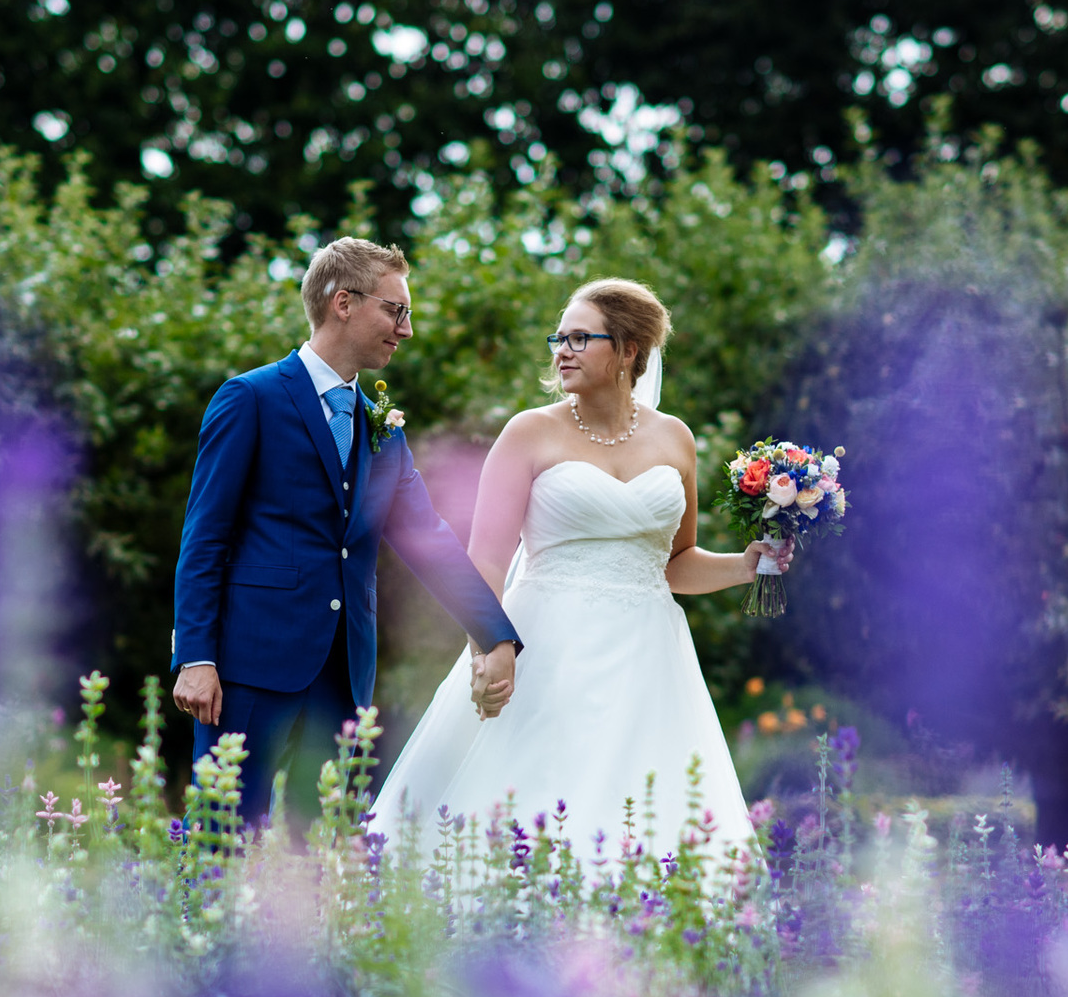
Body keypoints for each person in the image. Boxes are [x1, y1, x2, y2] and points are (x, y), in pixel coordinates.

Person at [371, 278, 790, 853]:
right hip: (544, 645)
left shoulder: (676, 440)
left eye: (579, 338)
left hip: (648, 656)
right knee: (531, 797)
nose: (561, 350)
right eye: (558, 338)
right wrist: (486, 649)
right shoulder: (529, 432)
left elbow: (674, 563)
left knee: (650, 805)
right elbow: (487, 558)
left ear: (628, 349)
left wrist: (745, 566)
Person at [171, 237, 522, 819]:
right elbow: (204, 537)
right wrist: (196, 656)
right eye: (396, 310)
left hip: (345, 674)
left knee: (326, 854)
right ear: (343, 303)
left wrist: (497, 634)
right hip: (246, 668)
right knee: (220, 837)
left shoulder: (382, 425)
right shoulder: (250, 399)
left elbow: (428, 539)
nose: (405, 329)